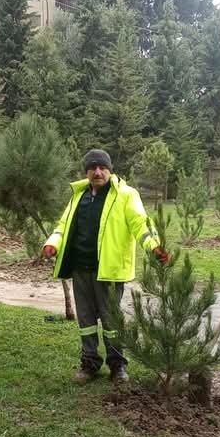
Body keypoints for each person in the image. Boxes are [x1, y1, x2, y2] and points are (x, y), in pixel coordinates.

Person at [43, 149, 168, 383]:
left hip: (109, 270)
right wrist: (53, 244)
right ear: (87, 171)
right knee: (86, 320)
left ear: (110, 170)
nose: (97, 172)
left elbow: (141, 224)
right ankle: (89, 364)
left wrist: (154, 246)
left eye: (102, 167)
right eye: (92, 168)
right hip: (81, 268)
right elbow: (63, 225)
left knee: (111, 321)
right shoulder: (79, 196)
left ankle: (117, 365)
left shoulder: (126, 195)